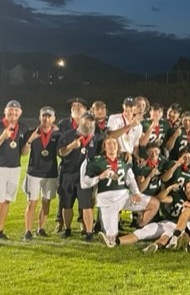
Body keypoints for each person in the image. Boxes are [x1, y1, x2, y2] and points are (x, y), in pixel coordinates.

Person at [85, 137, 159, 247]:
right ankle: (115, 235)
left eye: (114, 143)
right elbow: (86, 181)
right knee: (111, 240)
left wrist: (136, 193)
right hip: (107, 200)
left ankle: (139, 227)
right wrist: (100, 177)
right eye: (108, 143)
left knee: (154, 203)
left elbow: (130, 179)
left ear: (118, 146)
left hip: (124, 197)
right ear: (104, 147)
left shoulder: (124, 160)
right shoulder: (96, 161)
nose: (112, 145)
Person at [0, 100, 29, 246]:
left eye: (16, 111)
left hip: (14, 167)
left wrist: (29, 142)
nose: (13, 113)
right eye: (10, 110)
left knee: (6, 201)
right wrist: (3, 137)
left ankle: (0, 231)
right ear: (5, 111)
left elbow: (23, 153)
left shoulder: (22, 128)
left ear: (20, 113)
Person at [57, 112, 101, 240]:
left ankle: (89, 232)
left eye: (92, 122)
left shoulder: (97, 138)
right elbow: (60, 153)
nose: (89, 124)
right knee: (67, 205)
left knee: (86, 205)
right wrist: (71, 146)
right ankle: (67, 229)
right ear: (80, 121)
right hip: (68, 175)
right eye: (86, 121)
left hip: (85, 177)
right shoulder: (68, 135)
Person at [22, 106, 61, 240]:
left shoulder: (57, 134)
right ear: (40, 117)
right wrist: (30, 140)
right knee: (32, 202)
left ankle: (41, 228)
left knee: (46, 202)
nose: (46, 118)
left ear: (54, 119)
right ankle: (28, 231)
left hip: (51, 173)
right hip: (34, 172)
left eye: (49, 116)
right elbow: (24, 153)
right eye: (44, 116)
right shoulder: (32, 132)